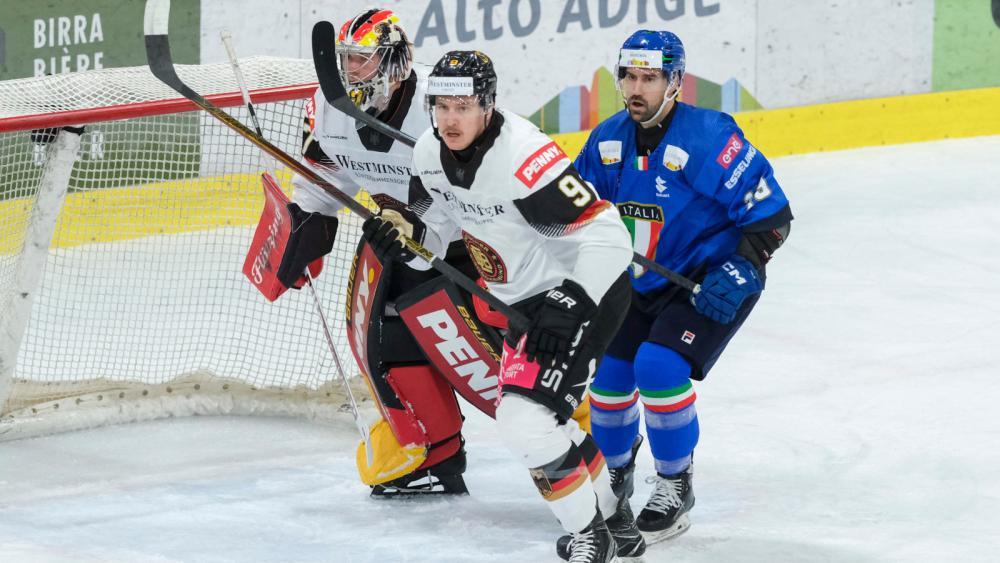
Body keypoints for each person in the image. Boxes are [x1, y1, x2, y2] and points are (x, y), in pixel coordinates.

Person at [362, 50, 643, 562]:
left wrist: (571, 301)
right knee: (544, 420)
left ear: (487, 105)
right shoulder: (428, 155)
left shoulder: (523, 159)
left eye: (463, 107)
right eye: (441, 106)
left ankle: (590, 536)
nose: (450, 119)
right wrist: (405, 236)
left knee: (523, 420)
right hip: (527, 306)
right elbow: (434, 238)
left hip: (584, 294)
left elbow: (609, 239)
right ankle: (614, 521)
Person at [573, 30, 794, 545]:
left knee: (658, 367)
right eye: (629, 76)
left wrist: (743, 268)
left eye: (649, 78)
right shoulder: (606, 141)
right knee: (607, 377)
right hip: (638, 280)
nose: (636, 88)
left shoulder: (708, 137)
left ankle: (676, 482)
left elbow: (773, 217)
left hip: (705, 280)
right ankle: (614, 474)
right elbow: (574, 212)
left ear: (675, 82)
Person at [275, 8, 490, 497]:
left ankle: (570, 438)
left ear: (395, 62)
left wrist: (422, 226)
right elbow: (327, 171)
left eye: (362, 59)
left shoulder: (442, 105)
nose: (350, 70)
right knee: (386, 345)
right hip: (395, 235)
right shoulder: (328, 104)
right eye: (346, 59)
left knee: (489, 357)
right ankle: (433, 453)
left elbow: (472, 185)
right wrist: (309, 221)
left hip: (473, 245)